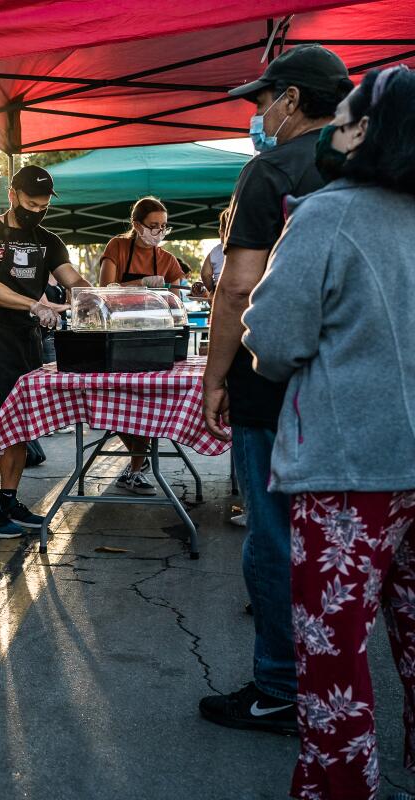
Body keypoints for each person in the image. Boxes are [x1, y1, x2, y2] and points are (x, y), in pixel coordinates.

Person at [242, 65, 415, 800]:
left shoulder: (326, 213)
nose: (332, 129)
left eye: (342, 117)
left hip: (351, 470)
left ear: (366, 131)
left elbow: (275, 341)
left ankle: (343, 791)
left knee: (333, 659)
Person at [200, 43, 353, 734]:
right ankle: (336, 683)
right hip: (357, 383)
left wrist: (214, 377)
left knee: (272, 534)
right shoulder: (375, 166)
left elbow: (236, 289)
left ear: (291, 101)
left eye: (263, 101)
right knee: (347, 542)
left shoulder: (271, 170)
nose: (257, 114)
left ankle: (279, 687)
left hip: (273, 383)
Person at [0, 166, 91, 538]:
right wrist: (35, 305)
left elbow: (72, 280)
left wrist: (95, 295)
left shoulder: (48, 241)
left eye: (44, 205)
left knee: (19, 427)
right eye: (31, 203)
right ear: (13, 195)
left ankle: (8, 501)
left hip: (28, 341)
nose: (37, 210)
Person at [97, 197, 186, 494]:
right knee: (113, 401)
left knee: (146, 401)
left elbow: (177, 305)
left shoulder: (169, 260)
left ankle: (137, 464)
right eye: (153, 226)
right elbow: (103, 291)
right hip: (116, 336)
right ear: (136, 225)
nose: (159, 231)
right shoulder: (117, 247)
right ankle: (140, 460)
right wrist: (140, 284)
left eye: (163, 226)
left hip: (152, 339)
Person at [199, 208, 232, 294]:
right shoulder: (250, 249)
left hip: (220, 292)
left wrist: (213, 291)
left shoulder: (216, 250)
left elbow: (205, 274)